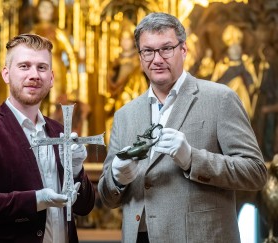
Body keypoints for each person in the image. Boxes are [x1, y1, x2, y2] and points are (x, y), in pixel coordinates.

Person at [97, 12, 267, 243]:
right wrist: (116, 178)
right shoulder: (125, 114)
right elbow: (108, 198)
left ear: (184, 50)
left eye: (166, 48)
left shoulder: (220, 99)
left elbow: (255, 173)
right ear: (139, 56)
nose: (156, 59)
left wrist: (192, 159)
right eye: (148, 51)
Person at [0, 33, 95, 243]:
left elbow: (84, 207)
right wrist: (36, 200)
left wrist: (76, 171)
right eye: (24, 66)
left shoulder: (59, 130)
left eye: (41, 67)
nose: (34, 75)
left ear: (51, 78)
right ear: (6, 74)